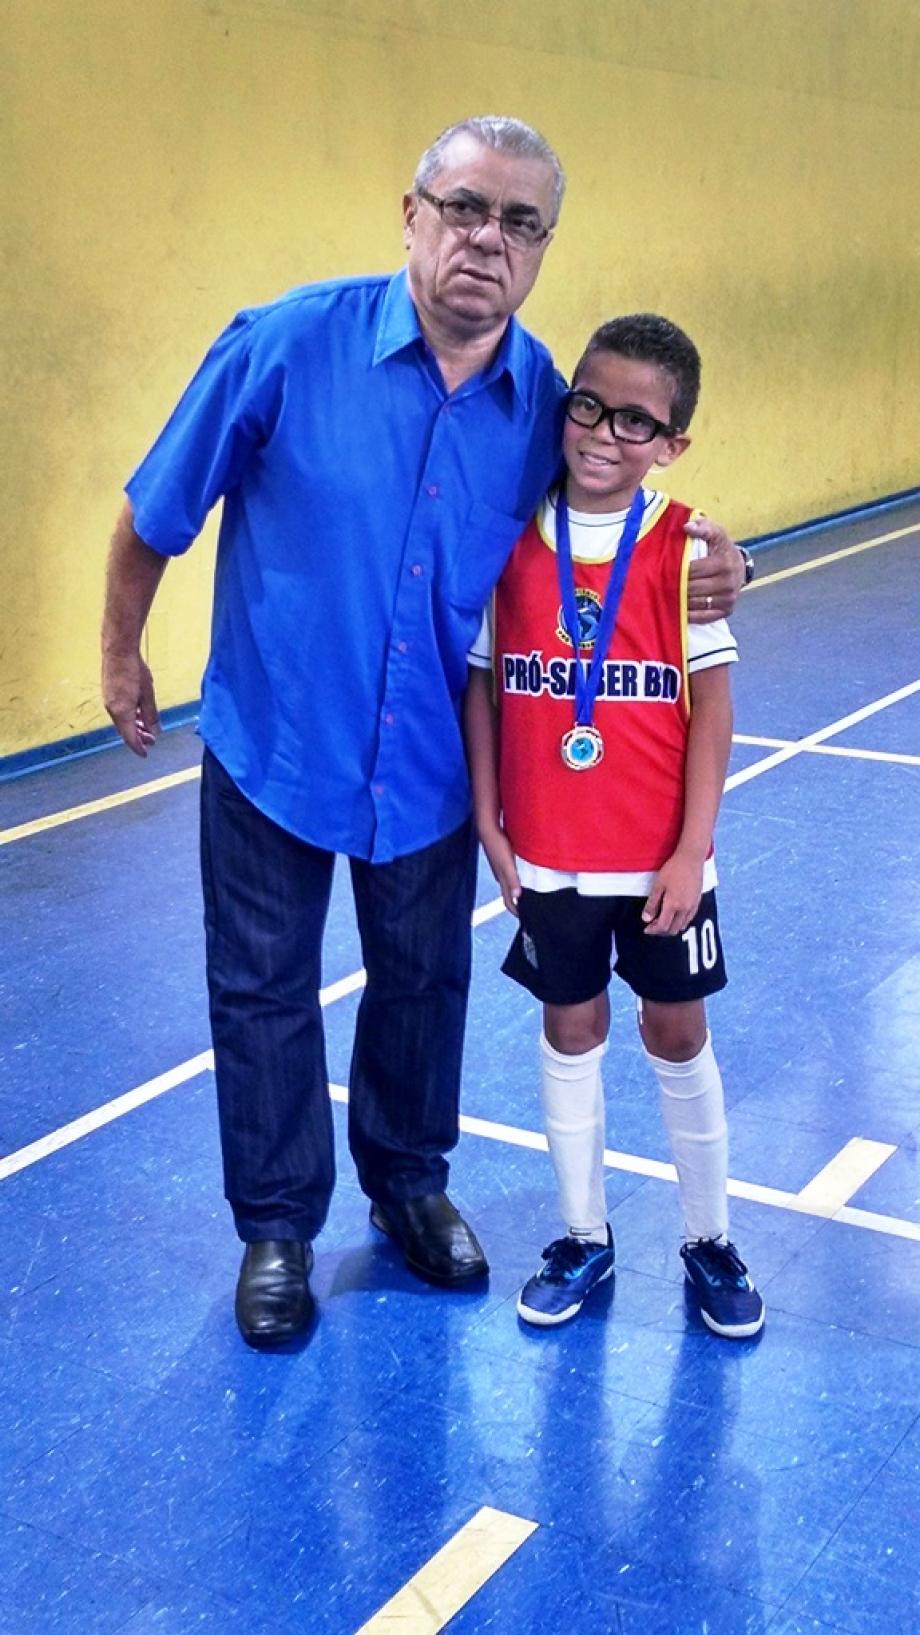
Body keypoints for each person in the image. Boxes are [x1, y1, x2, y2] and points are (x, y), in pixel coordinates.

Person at [101, 116, 748, 1351]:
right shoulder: (285, 343)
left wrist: (726, 563)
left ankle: (406, 1186)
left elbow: (624, 512)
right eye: (463, 208)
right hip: (277, 741)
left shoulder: (545, 402)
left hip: (430, 760)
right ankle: (277, 1230)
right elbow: (153, 509)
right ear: (411, 215)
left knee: (422, 982)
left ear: (541, 249)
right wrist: (120, 653)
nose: (486, 240)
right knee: (262, 988)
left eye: (519, 223)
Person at [464, 313, 764, 1339]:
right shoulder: (509, 540)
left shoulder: (686, 550)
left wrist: (690, 849)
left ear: (671, 444)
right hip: (550, 855)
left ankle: (709, 1237)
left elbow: (712, 709)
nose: (603, 433)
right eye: (588, 406)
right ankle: (582, 1235)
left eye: (636, 421)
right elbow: (481, 688)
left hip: (658, 862)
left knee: (676, 1032)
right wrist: (488, 820)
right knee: (570, 1026)